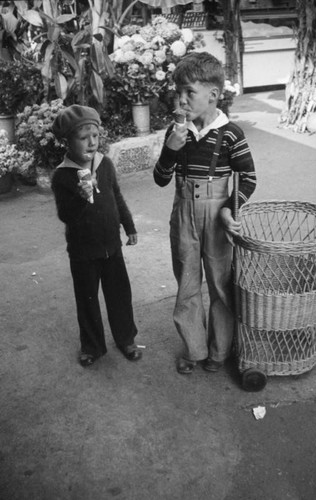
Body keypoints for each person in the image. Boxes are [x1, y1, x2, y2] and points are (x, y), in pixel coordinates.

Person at [153, 52, 256, 375]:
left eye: (189, 93)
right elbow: (160, 178)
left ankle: (220, 351)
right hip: (183, 210)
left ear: (213, 95)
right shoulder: (176, 131)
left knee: (221, 283)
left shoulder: (231, 134)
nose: (181, 100)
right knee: (187, 282)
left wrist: (229, 209)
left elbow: (248, 178)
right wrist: (171, 148)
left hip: (216, 214)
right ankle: (195, 349)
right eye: (178, 92)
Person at [51, 105, 142, 367]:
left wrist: (129, 226)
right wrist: (81, 198)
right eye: (83, 137)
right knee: (87, 299)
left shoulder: (106, 164)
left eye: (95, 135)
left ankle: (126, 339)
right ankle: (92, 346)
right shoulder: (62, 176)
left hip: (112, 246)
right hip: (82, 252)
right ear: (67, 142)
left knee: (119, 295)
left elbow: (117, 197)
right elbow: (65, 215)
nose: (91, 142)